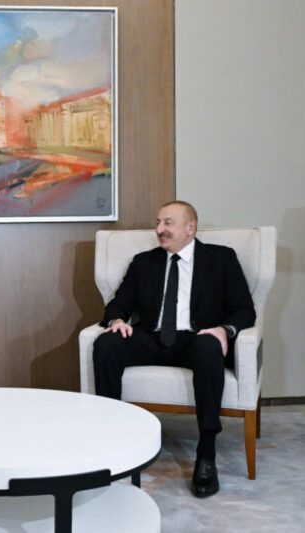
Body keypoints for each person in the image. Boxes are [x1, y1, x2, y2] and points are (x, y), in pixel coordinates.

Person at [92, 200, 255, 498]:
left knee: (209, 347)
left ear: (190, 228)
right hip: (152, 338)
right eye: (158, 223)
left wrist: (224, 330)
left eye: (168, 223)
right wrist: (117, 320)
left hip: (196, 339)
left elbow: (244, 310)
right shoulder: (143, 262)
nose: (160, 229)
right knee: (107, 343)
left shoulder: (221, 258)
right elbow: (119, 303)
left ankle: (206, 453)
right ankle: (110, 440)